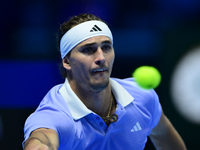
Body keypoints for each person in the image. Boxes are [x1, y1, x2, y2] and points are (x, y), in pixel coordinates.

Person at [23, 13, 187, 150]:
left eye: (106, 47)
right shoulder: (54, 116)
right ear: (67, 62)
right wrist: (38, 145)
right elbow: (42, 137)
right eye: (88, 49)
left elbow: (163, 133)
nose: (101, 58)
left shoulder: (143, 97)